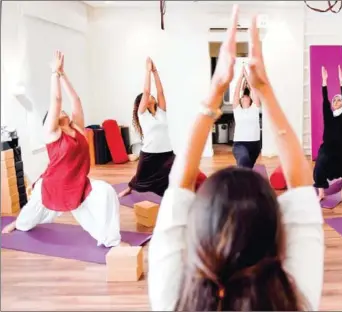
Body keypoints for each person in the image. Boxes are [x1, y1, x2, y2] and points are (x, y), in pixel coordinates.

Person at [148, 7, 324, 311]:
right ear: (276, 236)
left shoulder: (175, 300)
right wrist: (263, 86)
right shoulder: (294, 298)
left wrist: (216, 88)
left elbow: (178, 185)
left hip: (250, 140)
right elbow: (302, 183)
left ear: (199, 233)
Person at [2, 51, 125, 247]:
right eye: (58, 112)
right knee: (28, 218)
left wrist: (63, 73)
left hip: (78, 184)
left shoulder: (77, 127)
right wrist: (54, 74)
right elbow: (57, 100)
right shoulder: (52, 134)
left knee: (106, 193)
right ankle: (19, 223)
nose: (63, 110)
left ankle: (110, 239)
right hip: (55, 185)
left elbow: (75, 100)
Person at [118, 57, 175, 198]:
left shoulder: (161, 112)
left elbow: (160, 92)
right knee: (141, 176)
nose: (151, 96)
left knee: (170, 176)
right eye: (147, 97)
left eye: (150, 96)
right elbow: (146, 90)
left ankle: (169, 198)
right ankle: (130, 188)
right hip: (150, 152)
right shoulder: (142, 115)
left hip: (167, 152)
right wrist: (147, 71)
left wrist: (155, 72)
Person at [313, 65, 342, 200]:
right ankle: (321, 193)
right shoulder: (329, 116)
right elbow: (325, 101)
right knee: (320, 165)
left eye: (338, 100)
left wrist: (341, 81)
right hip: (328, 147)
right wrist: (324, 81)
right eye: (334, 100)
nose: (336, 101)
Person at [231, 64, 261, 168]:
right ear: (240, 100)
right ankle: (238, 182)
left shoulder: (255, 108)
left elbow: (254, 90)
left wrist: (247, 76)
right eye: (243, 97)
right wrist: (241, 76)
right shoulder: (237, 110)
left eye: (247, 96)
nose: (244, 97)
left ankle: (245, 180)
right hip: (240, 144)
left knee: (248, 167)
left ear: (250, 100)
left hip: (255, 145)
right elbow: (236, 93)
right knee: (243, 160)